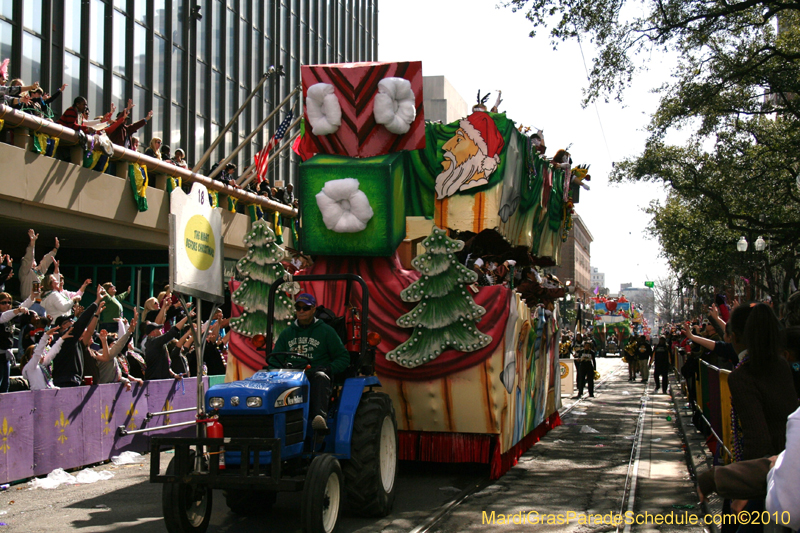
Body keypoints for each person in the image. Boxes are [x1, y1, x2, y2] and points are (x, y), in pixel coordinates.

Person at [272, 293, 350, 431]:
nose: (301, 311)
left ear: (314, 309)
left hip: (314, 376)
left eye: (306, 308)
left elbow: (343, 357)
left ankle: (319, 420)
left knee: (320, 377)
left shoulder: (326, 331)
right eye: (298, 307)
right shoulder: (287, 333)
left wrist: (328, 368)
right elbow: (274, 359)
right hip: (291, 375)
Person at [51, 285, 105, 387]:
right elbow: (82, 323)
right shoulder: (65, 339)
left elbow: (88, 332)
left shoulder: (74, 340)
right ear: (62, 327)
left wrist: (96, 314)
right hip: (66, 382)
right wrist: (96, 302)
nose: (72, 322)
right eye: (69, 321)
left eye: (73, 320)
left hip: (72, 381)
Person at [143, 312, 190, 381]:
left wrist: (174, 375)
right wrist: (186, 317)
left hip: (160, 380)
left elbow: (164, 365)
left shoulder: (155, 343)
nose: (161, 331)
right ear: (153, 332)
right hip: (154, 382)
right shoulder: (153, 342)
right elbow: (171, 333)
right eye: (158, 329)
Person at [19, 229, 58, 301]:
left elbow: (45, 262)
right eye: (32, 260)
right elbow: (28, 257)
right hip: (28, 301)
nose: (33, 260)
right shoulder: (25, 272)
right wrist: (32, 243)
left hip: (39, 302)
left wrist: (55, 249)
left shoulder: (38, 271)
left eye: (34, 259)